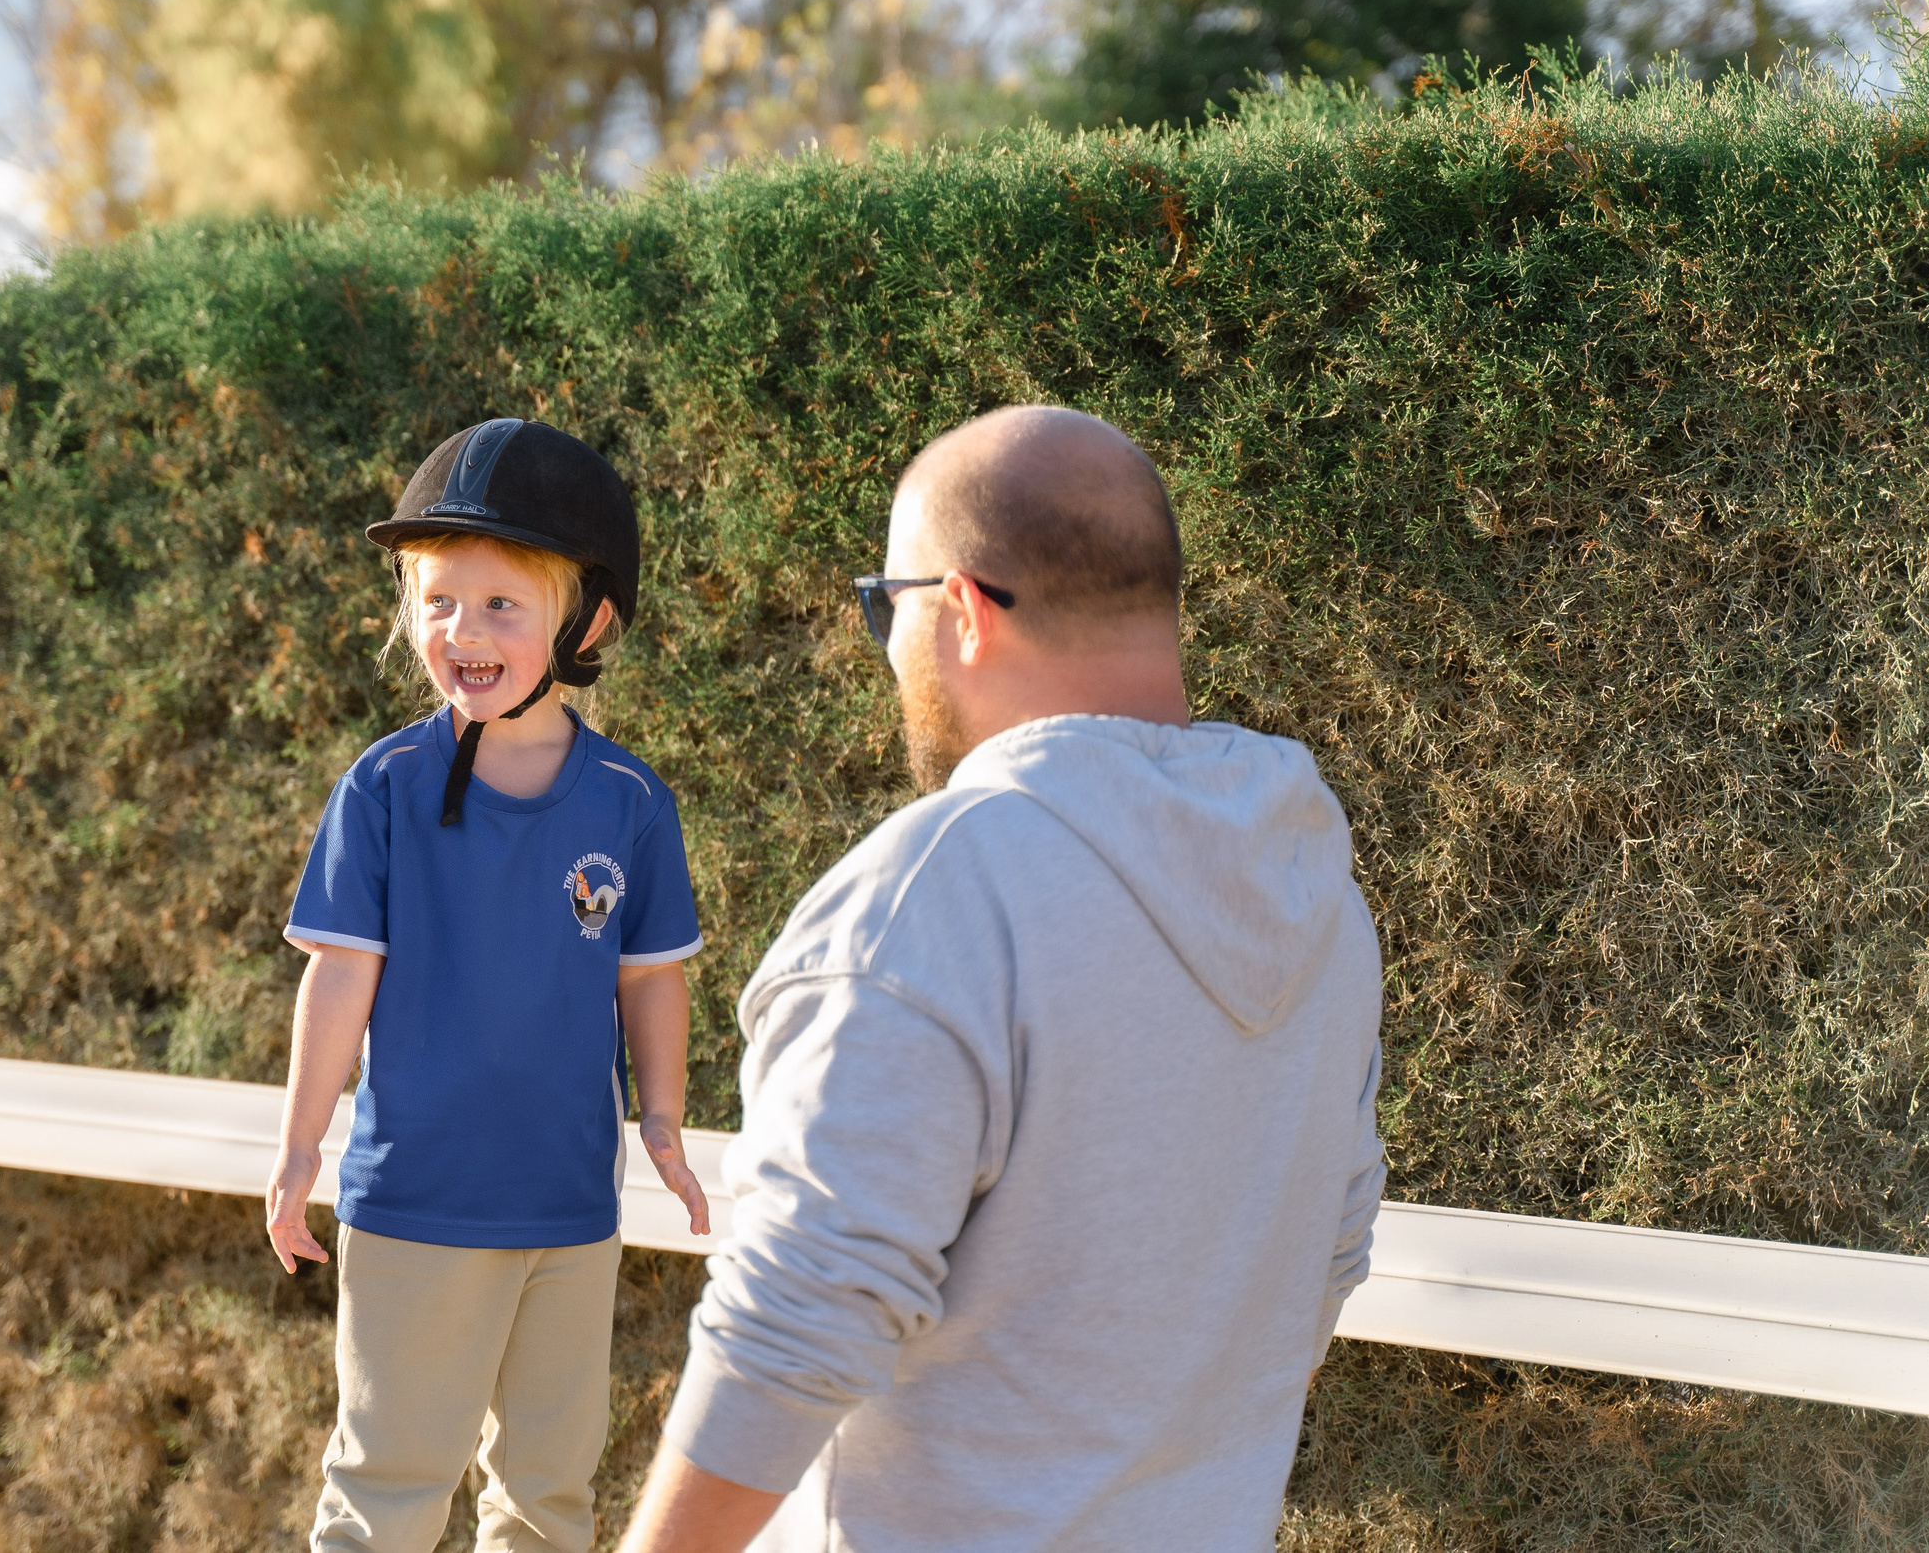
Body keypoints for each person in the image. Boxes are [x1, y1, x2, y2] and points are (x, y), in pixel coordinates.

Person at [621, 406, 1388, 1553]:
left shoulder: (935, 894)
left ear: (965, 607)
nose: (883, 645)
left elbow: (794, 1326)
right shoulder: (1322, 902)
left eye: (882, 603)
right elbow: (1327, 1255)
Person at [265, 417, 714, 1553]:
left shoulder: (629, 800)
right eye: (436, 602)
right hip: (418, 1204)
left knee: (548, 1502)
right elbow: (338, 976)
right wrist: (299, 1147)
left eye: (500, 604)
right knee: (387, 1494)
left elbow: (651, 978)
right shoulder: (384, 787)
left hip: (571, 1212)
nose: (461, 631)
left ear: (588, 620)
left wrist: (660, 1119)